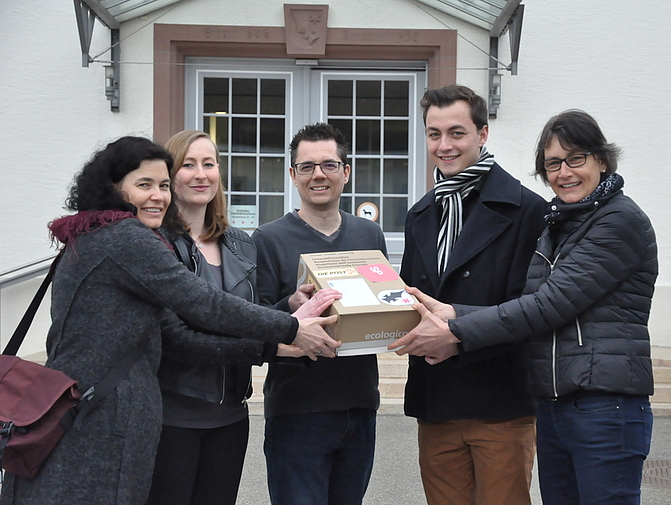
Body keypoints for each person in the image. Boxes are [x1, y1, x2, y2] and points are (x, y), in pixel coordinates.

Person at [0, 136, 340, 505]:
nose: (158, 196)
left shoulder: (97, 235)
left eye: (162, 186)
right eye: (144, 185)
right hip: (102, 417)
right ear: (114, 189)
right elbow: (204, 304)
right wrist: (290, 328)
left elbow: (197, 316)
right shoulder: (126, 239)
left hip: (92, 411)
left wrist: (281, 321)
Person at [391, 109, 658, 505]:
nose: (564, 172)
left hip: (604, 402)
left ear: (602, 160)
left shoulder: (618, 221)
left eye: (576, 159)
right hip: (556, 400)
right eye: (553, 163)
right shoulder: (560, 223)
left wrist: (457, 324)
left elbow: (547, 305)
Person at [146, 130, 339, 505]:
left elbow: (246, 318)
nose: (200, 174)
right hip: (172, 417)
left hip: (231, 417)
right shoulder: (156, 244)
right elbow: (176, 336)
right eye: (188, 165)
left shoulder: (240, 242)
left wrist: (289, 307)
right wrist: (277, 346)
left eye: (209, 164)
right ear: (170, 176)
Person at [394, 85, 546, 505]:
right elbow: (413, 300)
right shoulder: (421, 214)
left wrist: (456, 337)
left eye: (457, 133)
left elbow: (533, 311)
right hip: (436, 399)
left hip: (499, 400)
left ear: (482, 134)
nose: (444, 146)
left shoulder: (528, 210)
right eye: (434, 134)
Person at [252, 123, 387, 505]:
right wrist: (290, 308)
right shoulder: (268, 239)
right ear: (292, 175)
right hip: (298, 409)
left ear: (346, 172)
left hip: (360, 403)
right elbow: (254, 322)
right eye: (307, 167)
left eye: (329, 165)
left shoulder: (369, 236)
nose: (318, 175)